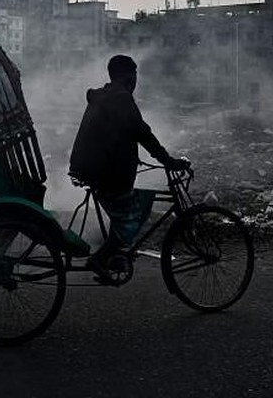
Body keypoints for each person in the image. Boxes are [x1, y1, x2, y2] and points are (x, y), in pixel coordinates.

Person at [69, 55, 189, 280]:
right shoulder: (120, 99)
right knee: (130, 220)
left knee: (137, 203)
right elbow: (142, 133)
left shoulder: (106, 96)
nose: (135, 81)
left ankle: (114, 256)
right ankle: (100, 259)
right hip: (105, 174)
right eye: (134, 76)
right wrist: (169, 161)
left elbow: (122, 134)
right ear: (129, 77)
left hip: (94, 169)